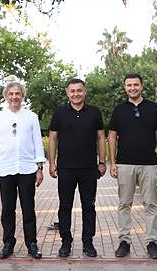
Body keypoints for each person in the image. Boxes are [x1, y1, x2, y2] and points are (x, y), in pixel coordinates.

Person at [0, 81, 46, 260]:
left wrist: (39, 168)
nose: (14, 97)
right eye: (11, 94)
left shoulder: (31, 117)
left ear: (22, 96)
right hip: (5, 169)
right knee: (7, 209)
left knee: (28, 208)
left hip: (27, 168)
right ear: (6, 96)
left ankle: (32, 244)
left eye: (17, 94)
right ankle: (8, 243)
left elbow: (37, 143)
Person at [107, 73, 157, 260]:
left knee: (150, 204)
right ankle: (124, 241)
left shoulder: (152, 108)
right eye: (129, 85)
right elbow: (112, 137)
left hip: (149, 163)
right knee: (124, 204)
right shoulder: (119, 110)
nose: (133, 88)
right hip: (125, 164)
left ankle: (151, 242)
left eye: (136, 85)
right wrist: (113, 162)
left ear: (142, 86)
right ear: (125, 87)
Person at [48, 78, 107, 258]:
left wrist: (102, 162)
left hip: (89, 169)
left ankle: (88, 242)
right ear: (67, 93)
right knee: (64, 206)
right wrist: (52, 162)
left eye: (79, 90)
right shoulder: (59, 113)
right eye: (72, 91)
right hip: (66, 168)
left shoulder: (95, 113)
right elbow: (52, 139)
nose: (76, 94)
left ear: (84, 91)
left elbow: (100, 137)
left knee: (89, 206)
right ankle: (66, 242)